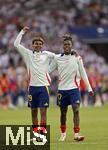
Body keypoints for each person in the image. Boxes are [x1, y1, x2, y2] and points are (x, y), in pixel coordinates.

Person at [49, 35, 94, 141]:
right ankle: (63, 133)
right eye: (65, 44)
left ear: (71, 46)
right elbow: (48, 70)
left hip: (74, 89)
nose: (66, 46)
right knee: (63, 113)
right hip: (62, 90)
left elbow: (83, 73)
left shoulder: (77, 58)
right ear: (62, 46)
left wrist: (89, 88)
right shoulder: (57, 58)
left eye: (68, 44)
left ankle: (76, 133)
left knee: (76, 109)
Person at [14, 26, 55, 132]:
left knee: (43, 111)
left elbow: (59, 58)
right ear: (33, 45)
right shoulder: (28, 54)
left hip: (43, 87)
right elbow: (16, 44)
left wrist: (49, 70)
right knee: (33, 112)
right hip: (32, 87)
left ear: (42, 45)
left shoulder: (46, 54)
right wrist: (22, 32)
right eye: (36, 43)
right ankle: (36, 132)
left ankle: (43, 132)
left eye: (40, 44)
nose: (38, 45)